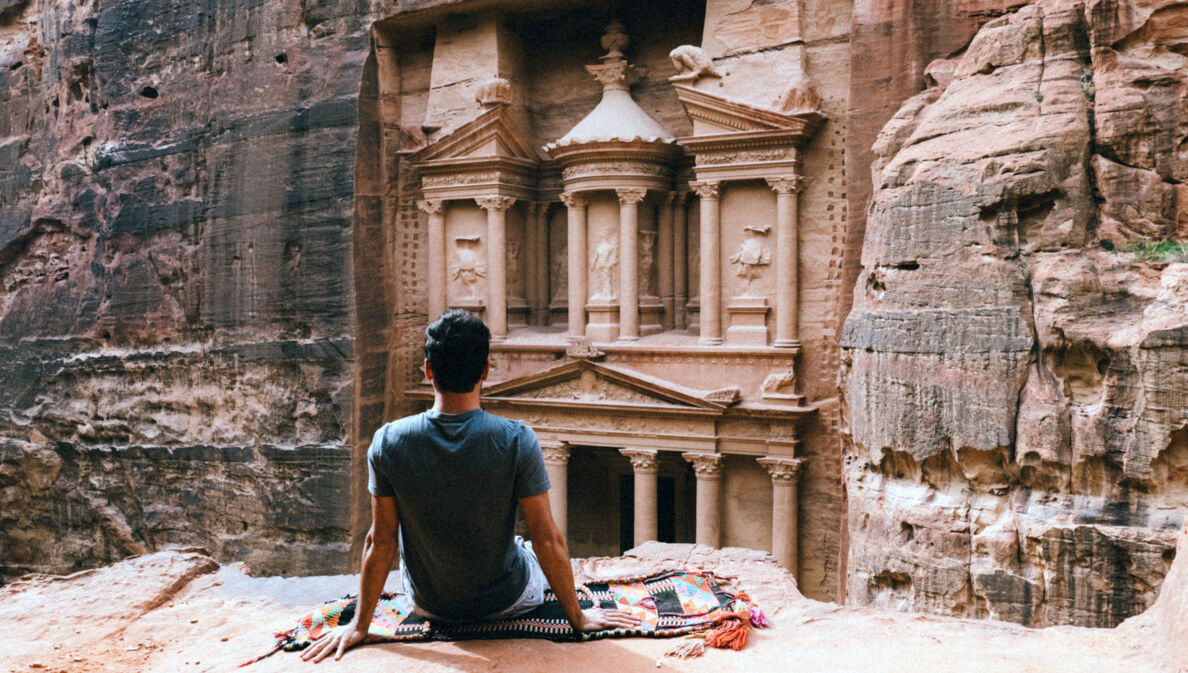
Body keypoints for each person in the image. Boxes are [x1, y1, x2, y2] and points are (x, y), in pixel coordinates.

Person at [302, 310, 640, 662]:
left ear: (428, 369)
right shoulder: (517, 440)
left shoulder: (388, 441)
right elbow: (547, 538)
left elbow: (381, 540)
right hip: (505, 602)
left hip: (430, 605)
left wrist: (360, 624)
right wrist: (579, 617)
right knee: (526, 549)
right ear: (486, 370)